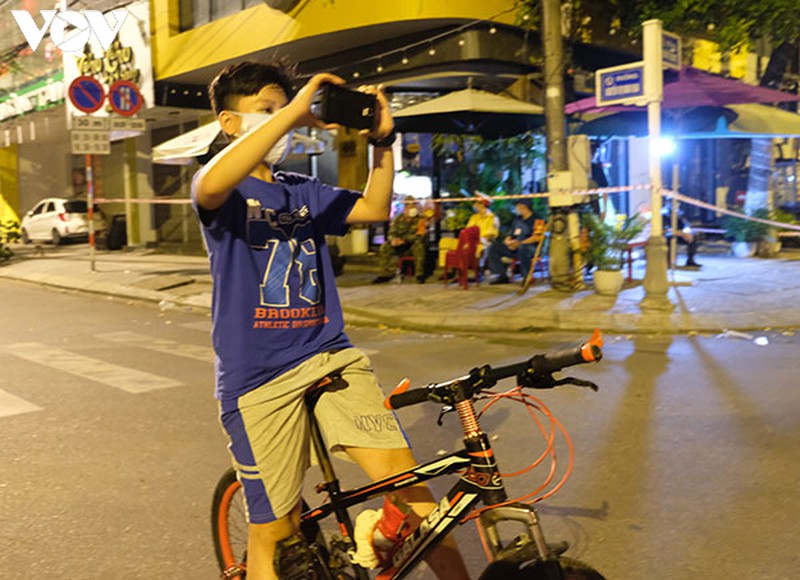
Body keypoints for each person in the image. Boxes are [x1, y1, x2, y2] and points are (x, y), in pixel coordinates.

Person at [191, 61, 467, 580]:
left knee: (411, 488)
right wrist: (294, 112)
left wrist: (383, 142)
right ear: (229, 123)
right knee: (275, 529)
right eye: (265, 112)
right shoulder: (219, 191)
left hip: (329, 354)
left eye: (284, 109)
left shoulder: (301, 190)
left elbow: (376, 208)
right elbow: (210, 182)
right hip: (258, 379)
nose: (283, 123)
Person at [372, 195, 427, 284]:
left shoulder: (420, 219)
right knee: (384, 247)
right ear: (405, 207)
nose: (412, 208)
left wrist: (404, 240)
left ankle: (419, 274)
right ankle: (384, 274)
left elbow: (420, 236)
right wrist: (393, 240)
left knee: (419, 247)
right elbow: (391, 232)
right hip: (399, 245)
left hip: (411, 245)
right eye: (409, 206)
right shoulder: (398, 218)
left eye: (413, 205)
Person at [486, 199, 538, 284]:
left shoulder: (537, 219)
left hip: (529, 247)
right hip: (514, 246)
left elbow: (537, 237)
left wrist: (520, 243)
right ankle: (501, 275)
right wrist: (508, 242)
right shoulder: (518, 219)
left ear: (524, 207)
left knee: (523, 249)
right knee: (493, 248)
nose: (516, 209)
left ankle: (527, 276)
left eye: (517, 207)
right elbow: (511, 234)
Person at [663, 202, 701, 268]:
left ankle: (690, 260)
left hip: (680, 234)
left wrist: (687, 232)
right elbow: (666, 229)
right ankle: (669, 262)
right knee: (669, 238)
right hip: (668, 234)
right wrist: (682, 234)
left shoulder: (679, 213)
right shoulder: (664, 213)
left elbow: (685, 224)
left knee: (693, 237)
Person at [465, 191, 499, 261]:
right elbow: (466, 231)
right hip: (470, 242)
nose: (475, 205)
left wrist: (476, 241)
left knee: (480, 248)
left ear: (482, 204)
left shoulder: (493, 218)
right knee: (445, 242)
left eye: (476, 203)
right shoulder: (474, 217)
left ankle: (479, 268)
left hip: (483, 243)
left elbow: (490, 236)